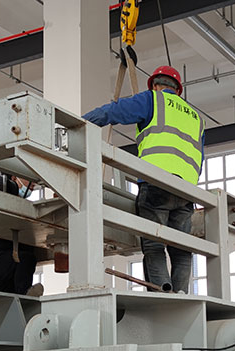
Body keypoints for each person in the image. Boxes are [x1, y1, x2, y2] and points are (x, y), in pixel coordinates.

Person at [82, 65, 204, 293]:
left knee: (153, 243)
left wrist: (78, 124)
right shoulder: (196, 117)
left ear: (155, 86)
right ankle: (181, 296)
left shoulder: (153, 100)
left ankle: (162, 293)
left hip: (156, 182)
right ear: (178, 90)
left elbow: (113, 112)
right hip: (186, 191)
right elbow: (200, 157)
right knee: (181, 249)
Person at [0, 176, 43, 296]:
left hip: (11, 267)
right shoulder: (1, 202)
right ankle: (25, 294)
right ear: (14, 178)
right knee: (27, 258)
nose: (33, 184)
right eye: (28, 178)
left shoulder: (25, 208)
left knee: (10, 297)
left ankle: (22, 297)